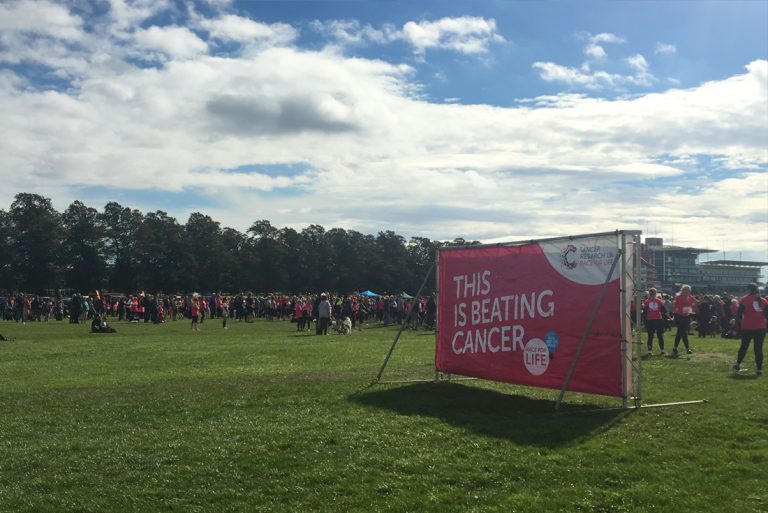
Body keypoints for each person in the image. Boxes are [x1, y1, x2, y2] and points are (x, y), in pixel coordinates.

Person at [733, 283, 768, 376]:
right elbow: (766, 315)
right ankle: (759, 369)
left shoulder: (744, 300)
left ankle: (738, 364)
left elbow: (739, 314)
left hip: (747, 327)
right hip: (760, 327)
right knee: (758, 349)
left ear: (748, 290)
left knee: (743, 347)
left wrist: (740, 324)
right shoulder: (764, 301)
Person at [672, 284, 696, 356]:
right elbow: (674, 306)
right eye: (685, 289)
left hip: (686, 316)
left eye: (688, 290)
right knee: (683, 332)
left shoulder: (691, 297)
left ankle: (675, 348)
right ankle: (687, 348)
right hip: (679, 316)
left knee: (680, 332)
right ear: (682, 290)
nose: (686, 291)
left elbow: (697, 303)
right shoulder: (678, 297)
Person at [643, 288, 666, 355]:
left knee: (650, 336)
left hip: (650, 320)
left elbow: (645, 313)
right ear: (656, 293)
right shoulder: (659, 301)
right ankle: (662, 350)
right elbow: (663, 311)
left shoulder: (646, 301)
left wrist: (645, 322)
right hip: (659, 319)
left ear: (649, 293)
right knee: (660, 336)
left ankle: (650, 351)